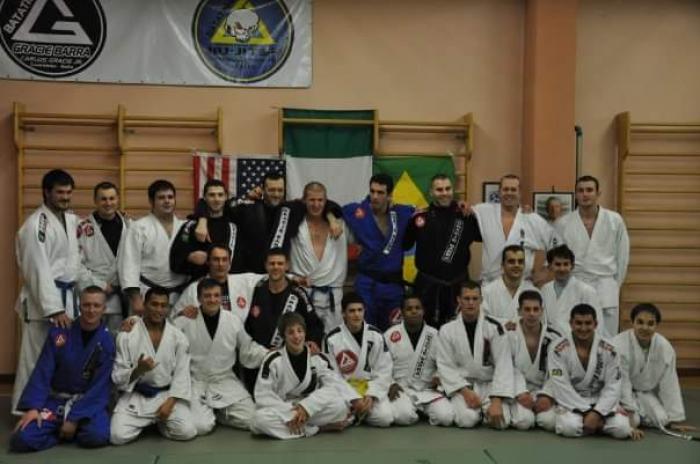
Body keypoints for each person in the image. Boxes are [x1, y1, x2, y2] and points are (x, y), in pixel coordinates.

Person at [10, 287, 115, 452]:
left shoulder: (107, 341)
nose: (91, 310)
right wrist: (33, 408)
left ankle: (70, 427)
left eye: (96, 305)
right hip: (56, 401)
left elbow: (100, 387)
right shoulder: (61, 334)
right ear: (79, 306)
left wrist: (74, 418)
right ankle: (59, 433)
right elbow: (43, 371)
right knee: (22, 438)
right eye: (86, 305)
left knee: (97, 436)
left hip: (87, 403)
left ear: (104, 308)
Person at [13, 169, 83, 414]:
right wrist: (54, 308)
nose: (65, 197)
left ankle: (50, 409)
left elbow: (77, 253)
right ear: (46, 192)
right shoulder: (36, 225)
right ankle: (25, 410)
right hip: (43, 304)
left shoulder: (69, 219)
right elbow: (37, 269)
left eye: (69, 192)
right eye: (60, 192)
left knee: (59, 358)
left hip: (66, 300)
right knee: (34, 359)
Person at [174, 279, 268, 435]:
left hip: (225, 380)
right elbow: (165, 336)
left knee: (252, 419)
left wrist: (271, 354)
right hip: (197, 381)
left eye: (216, 295)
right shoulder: (184, 321)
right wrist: (178, 314)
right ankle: (215, 411)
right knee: (201, 427)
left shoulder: (232, 320)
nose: (212, 299)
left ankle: (219, 414)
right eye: (207, 296)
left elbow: (248, 350)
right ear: (199, 298)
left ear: (221, 298)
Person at [251, 313, 358, 439]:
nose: (296, 336)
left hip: (310, 407)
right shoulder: (273, 359)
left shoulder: (316, 357)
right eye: (291, 332)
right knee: (259, 420)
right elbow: (263, 395)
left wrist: (307, 407)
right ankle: (317, 429)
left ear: (305, 333)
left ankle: (297, 426)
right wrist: (294, 412)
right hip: (286, 408)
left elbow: (332, 386)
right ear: (284, 336)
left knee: (340, 407)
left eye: (299, 331)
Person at [110, 288, 196, 444]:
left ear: (168, 308)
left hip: (166, 395)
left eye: (163, 305)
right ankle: (152, 421)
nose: (159, 309)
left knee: (187, 431)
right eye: (154, 304)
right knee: (117, 436)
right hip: (137, 396)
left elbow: (182, 374)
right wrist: (138, 370)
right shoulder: (127, 335)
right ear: (144, 305)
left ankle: (159, 423)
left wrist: (170, 403)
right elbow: (118, 376)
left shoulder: (178, 337)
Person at [554, 175, 630, 337]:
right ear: (576, 194)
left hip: (605, 284)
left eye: (589, 190)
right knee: (571, 333)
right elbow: (557, 259)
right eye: (581, 190)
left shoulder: (614, 220)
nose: (585, 194)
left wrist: (614, 285)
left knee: (606, 337)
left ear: (598, 193)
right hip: (575, 283)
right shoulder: (563, 223)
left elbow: (623, 256)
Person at [403, 174, 482, 327]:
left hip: (458, 285)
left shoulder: (465, 216)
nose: (444, 193)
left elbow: (486, 234)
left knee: (460, 330)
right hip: (427, 286)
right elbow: (405, 245)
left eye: (448, 189)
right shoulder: (419, 218)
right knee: (425, 329)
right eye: (439, 190)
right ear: (431, 192)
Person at [436, 281, 515, 429]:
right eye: (466, 298)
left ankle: (485, 411)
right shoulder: (447, 330)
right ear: (459, 300)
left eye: (475, 298)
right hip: (463, 386)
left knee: (502, 423)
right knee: (467, 420)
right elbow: (445, 366)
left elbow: (503, 364)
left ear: (481, 300)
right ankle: (479, 413)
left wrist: (497, 400)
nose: (471, 303)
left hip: (490, 386)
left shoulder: (494, 327)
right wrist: (465, 392)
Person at [547, 304, 632, 439]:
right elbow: (561, 385)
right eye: (578, 323)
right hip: (572, 401)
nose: (583, 328)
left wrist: (598, 412)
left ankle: (592, 424)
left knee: (622, 430)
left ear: (595, 324)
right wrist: (587, 412)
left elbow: (613, 385)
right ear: (571, 323)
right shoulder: (557, 348)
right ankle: (598, 425)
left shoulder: (610, 349)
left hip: (599, 400)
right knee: (570, 428)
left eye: (588, 323)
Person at [270, 181, 346, 331]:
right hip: (303, 294)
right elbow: (276, 252)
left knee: (334, 341)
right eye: (312, 200)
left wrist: (331, 217)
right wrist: (290, 277)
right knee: (303, 339)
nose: (316, 204)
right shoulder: (294, 224)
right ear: (303, 200)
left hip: (333, 298)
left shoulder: (340, 225)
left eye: (320, 200)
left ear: (326, 201)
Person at [342, 174, 414, 330]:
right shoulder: (357, 211)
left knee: (394, 331)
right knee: (367, 330)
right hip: (366, 283)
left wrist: (461, 205)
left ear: (389, 195)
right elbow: (331, 208)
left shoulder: (401, 213)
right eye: (372, 191)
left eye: (380, 193)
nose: (375, 196)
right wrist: (332, 219)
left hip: (392, 285)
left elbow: (426, 214)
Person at [614, 303, 694, 434]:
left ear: (657, 325)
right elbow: (623, 382)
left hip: (642, 393)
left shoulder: (664, 347)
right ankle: (626, 414)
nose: (645, 328)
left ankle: (637, 412)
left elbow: (670, 383)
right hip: (616, 393)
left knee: (662, 419)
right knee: (633, 421)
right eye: (640, 322)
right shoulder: (619, 344)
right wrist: (629, 409)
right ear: (632, 322)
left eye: (650, 324)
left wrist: (675, 418)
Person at [323, 292, 394, 427]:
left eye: (360, 310)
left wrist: (372, 395)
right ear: (343, 313)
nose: (356, 314)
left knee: (385, 418)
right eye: (352, 311)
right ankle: (358, 413)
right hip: (345, 389)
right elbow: (330, 375)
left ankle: (357, 414)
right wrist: (353, 398)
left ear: (364, 311)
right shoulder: (332, 338)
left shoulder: (376, 335)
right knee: (335, 414)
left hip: (369, 388)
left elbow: (384, 369)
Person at [194, 172, 286, 273]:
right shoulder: (246, 207)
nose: (276, 194)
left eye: (280, 190)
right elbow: (214, 203)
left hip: (276, 272)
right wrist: (202, 219)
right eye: (271, 190)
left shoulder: (291, 210)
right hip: (246, 274)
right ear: (262, 189)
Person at [118, 180, 188, 315]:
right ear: (151, 201)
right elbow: (129, 264)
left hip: (179, 295)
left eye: (170, 197)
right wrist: (135, 298)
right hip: (147, 294)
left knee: (177, 328)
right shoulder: (138, 227)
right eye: (161, 198)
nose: (167, 201)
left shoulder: (184, 227)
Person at [384, 296, 454, 426]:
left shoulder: (434, 335)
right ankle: (415, 411)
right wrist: (391, 384)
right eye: (409, 308)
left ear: (423, 311)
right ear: (402, 312)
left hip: (428, 390)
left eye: (418, 308)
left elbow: (445, 363)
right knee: (403, 417)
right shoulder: (390, 335)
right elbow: (381, 366)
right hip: (402, 390)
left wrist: (438, 377)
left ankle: (419, 409)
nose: (414, 311)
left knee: (446, 417)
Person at [473, 174, 554, 285]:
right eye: (505, 189)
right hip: (490, 284)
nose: (509, 193)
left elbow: (556, 244)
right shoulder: (485, 211)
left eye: (513, 189)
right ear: (499, 192)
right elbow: (464, 209)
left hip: (522, 283)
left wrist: (545, 270)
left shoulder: (532, 219)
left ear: (520, 193)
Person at [77, 182, 129, 333]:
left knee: (117, 342)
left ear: (118, 199)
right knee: (89, 340)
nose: (108, 203)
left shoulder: (129, 226)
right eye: (103, 199)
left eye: (112, 198)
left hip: (120, 298)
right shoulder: (83, 228)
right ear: (95, 201)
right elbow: (76, 264)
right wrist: (99, 285)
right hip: (92, 297)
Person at [508, 290, 561, 431]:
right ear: (519, 311)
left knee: (549, 422)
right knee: (523, 422)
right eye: (527, 309)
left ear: (541, 311)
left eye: (535, 309)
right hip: (518, 391)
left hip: (542, 390)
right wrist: (520, 392)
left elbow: (558, 370)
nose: (532, 314)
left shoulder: (554, 337)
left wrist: (547, 395)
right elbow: (506, 367)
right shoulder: (509, 334)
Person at [171, 179, 243, 280]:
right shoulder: (191, 226)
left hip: (230, 284)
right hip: (200, 284)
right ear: (204, 197)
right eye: (212, 195)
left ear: (226, 197)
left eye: (220, 195)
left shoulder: (235, 226)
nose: (216, 199)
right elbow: (174, 260)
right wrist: (189, 257)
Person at [172, 245, 265, 320]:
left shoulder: (243, 281)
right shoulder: (194, 289)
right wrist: (182, 314)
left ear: (230, 263)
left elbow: (269, 277)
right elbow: (173, 319)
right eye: (216, 259)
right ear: (208, 262)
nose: (220, 264)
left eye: (224, 259)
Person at [540, 245, 601, 334]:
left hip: (577, 339)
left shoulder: (587, 291)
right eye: (558, 264)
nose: (562, 269)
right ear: (550, 266)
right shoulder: (545, 289)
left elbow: (597, 326)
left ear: (572, 266)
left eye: (566, 264)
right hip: (549, 339)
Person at [481, 245, 536, 323]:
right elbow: (482, 321)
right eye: (511, 261)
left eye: (520, 262)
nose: (516, 265)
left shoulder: (533, 291)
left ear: (524, 265)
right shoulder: (487, 292)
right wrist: (506, 324)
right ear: (502, 265)